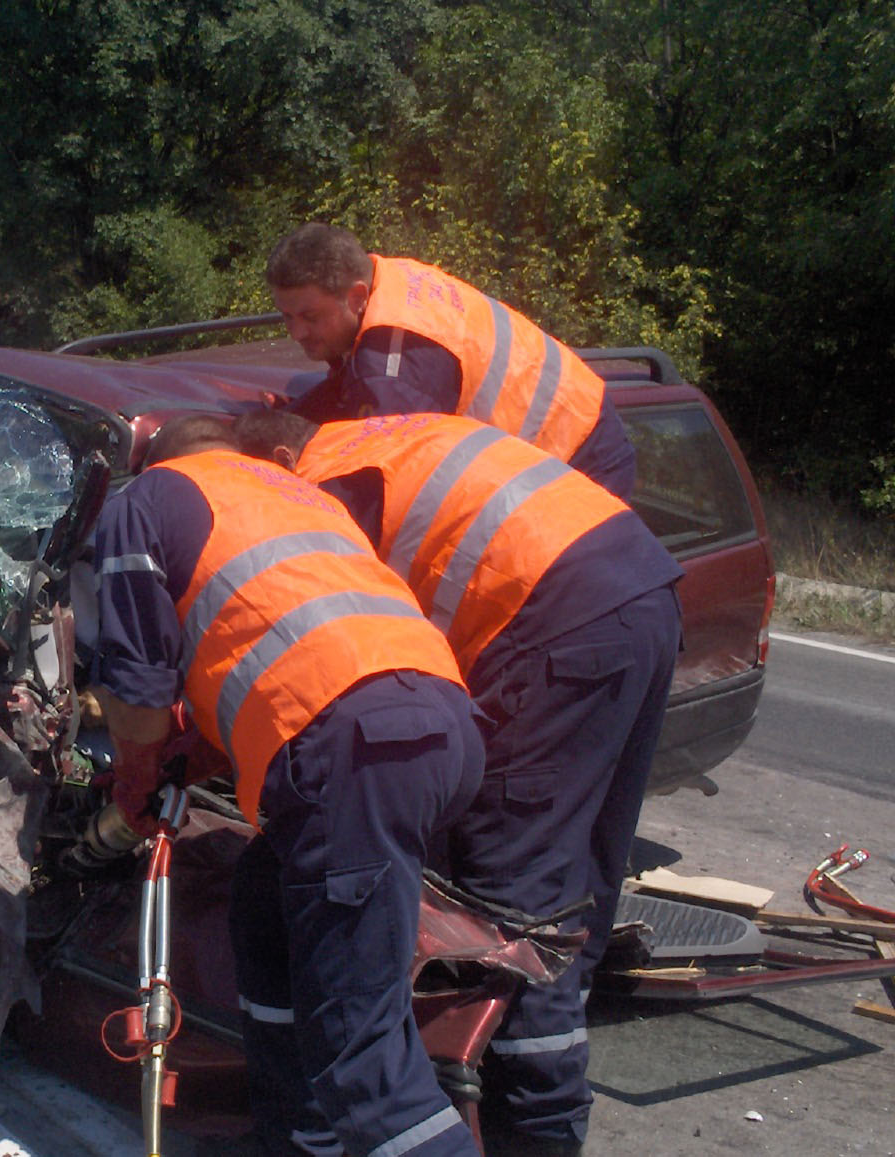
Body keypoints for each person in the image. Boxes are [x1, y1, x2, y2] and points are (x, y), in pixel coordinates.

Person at [236, 407, 684, 1155]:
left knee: (511, 902)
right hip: (642, 584)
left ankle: (531, 1131)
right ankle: (528, 1099)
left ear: (275, 458)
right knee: (582, 878)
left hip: (553, 615)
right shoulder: (370, 434)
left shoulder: (313, 492)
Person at [85, 415, 485, 1157]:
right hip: (441, 726)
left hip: (355, 750)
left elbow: (137, 690)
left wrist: (135, 780)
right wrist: (195, 754)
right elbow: (278, 646)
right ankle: (297, 1144)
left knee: (358, 1055)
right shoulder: (298, 496)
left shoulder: (145, 502)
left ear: (155, 459)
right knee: (266, 905)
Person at [264, 223, 637, 499]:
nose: (297, 332)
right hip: (580, 415)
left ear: (356, 296)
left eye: (310, 317)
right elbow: (349, 383)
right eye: (287, 317)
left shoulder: (394, 367)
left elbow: (381, 487)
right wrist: (286, 421)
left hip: (578, 458)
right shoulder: (384, 279)